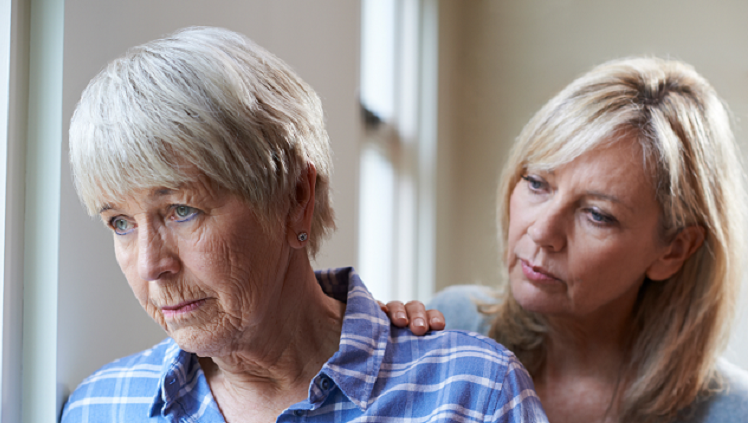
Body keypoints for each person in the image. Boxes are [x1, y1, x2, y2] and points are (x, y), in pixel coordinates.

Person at [59, 26, 547, 422]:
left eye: (182, 210)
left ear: (296, 198)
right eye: (120, 222)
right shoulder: (99, 407)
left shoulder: (471, 395)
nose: (150, 265)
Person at [383, 57, 748, 423]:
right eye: (537, 183)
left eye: (597, 215)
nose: (542, 232)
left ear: (673, 250)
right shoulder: (450, 323)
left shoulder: (733, 412)